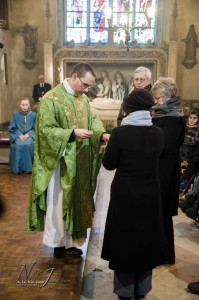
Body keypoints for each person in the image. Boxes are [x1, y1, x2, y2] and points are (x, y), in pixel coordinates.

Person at [26, 63, 110, 257]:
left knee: (76, 201)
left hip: (79, 161)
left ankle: (72, 242)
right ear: (74, 76)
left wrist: (102, 134)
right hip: (60, 163)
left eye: (90, 87)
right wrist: (71, 133)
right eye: (85, 85)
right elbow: (45, 131)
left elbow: (92, 121)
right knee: (59, 202)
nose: (87, 90)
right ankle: (58, 244)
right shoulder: (51, 99)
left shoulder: (82, 99)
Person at [101, 89, 166, 300]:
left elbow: (109, 165)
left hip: (125, 196)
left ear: (128, 108)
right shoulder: (158, 133)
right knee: (146, 240)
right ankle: (142, 289)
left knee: (125, 241)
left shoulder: (121, 133)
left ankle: (125, 291)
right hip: (150, 194)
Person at [151, 77, 186, 264]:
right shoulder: (166, 113)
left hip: (164, 171)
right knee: (159, 214)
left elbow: (166, 146)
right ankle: (161, 254)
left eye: (158, 98)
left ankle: (163, 255)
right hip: (161, 169)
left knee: (161, 213)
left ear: (168, 96)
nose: (155, 102)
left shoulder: (172, 117)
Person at [9, 98, 36, 174]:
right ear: (20, 105)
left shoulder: (33, 115)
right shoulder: (15, 115)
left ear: (29, 105)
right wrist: (19, 134)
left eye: (26, 105)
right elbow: (12, 128)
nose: (24, 106)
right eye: (23, 105)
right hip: (18, 136)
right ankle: (18, 168)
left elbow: (36, 128)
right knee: (18, 144)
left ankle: (28, 168)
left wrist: (29, 134)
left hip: (30, 135)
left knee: (27, 144)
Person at [179, 109, 199, 191]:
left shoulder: (197, 129)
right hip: (183, 153)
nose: (192, 120)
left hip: (193, 154)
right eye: (190, 117)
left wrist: (183, 137)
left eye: (194, 118)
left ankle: (185, 181)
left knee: (193, 161)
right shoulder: (184, 127)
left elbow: (195, 141)